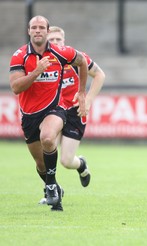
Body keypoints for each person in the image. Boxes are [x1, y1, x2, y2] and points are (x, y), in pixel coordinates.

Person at [9, 16, 88, 211]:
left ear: (46, 31)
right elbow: (16, 88)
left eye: (41, 27)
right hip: (29, 115)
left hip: (55, 108)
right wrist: (36, 72)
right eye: (34, 27)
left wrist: (82, 92)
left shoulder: (60, 52)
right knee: (40, 164)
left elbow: (83, 62)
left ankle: (50, 186)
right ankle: (54, 188)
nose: (37, 30)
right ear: (29, 31)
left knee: (48, 138)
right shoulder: (20, 56)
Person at [36, 26, 105, 205]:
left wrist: (88, 99)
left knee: (66, 161)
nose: (56, 42)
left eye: (59, 39)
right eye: (52, 40)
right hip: (53, 110)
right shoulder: (42, 61)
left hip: (74, 111)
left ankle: (81, 164)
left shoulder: (75, 57)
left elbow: (99, 75)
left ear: (64, 41)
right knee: (47, 148)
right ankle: (50, 189)